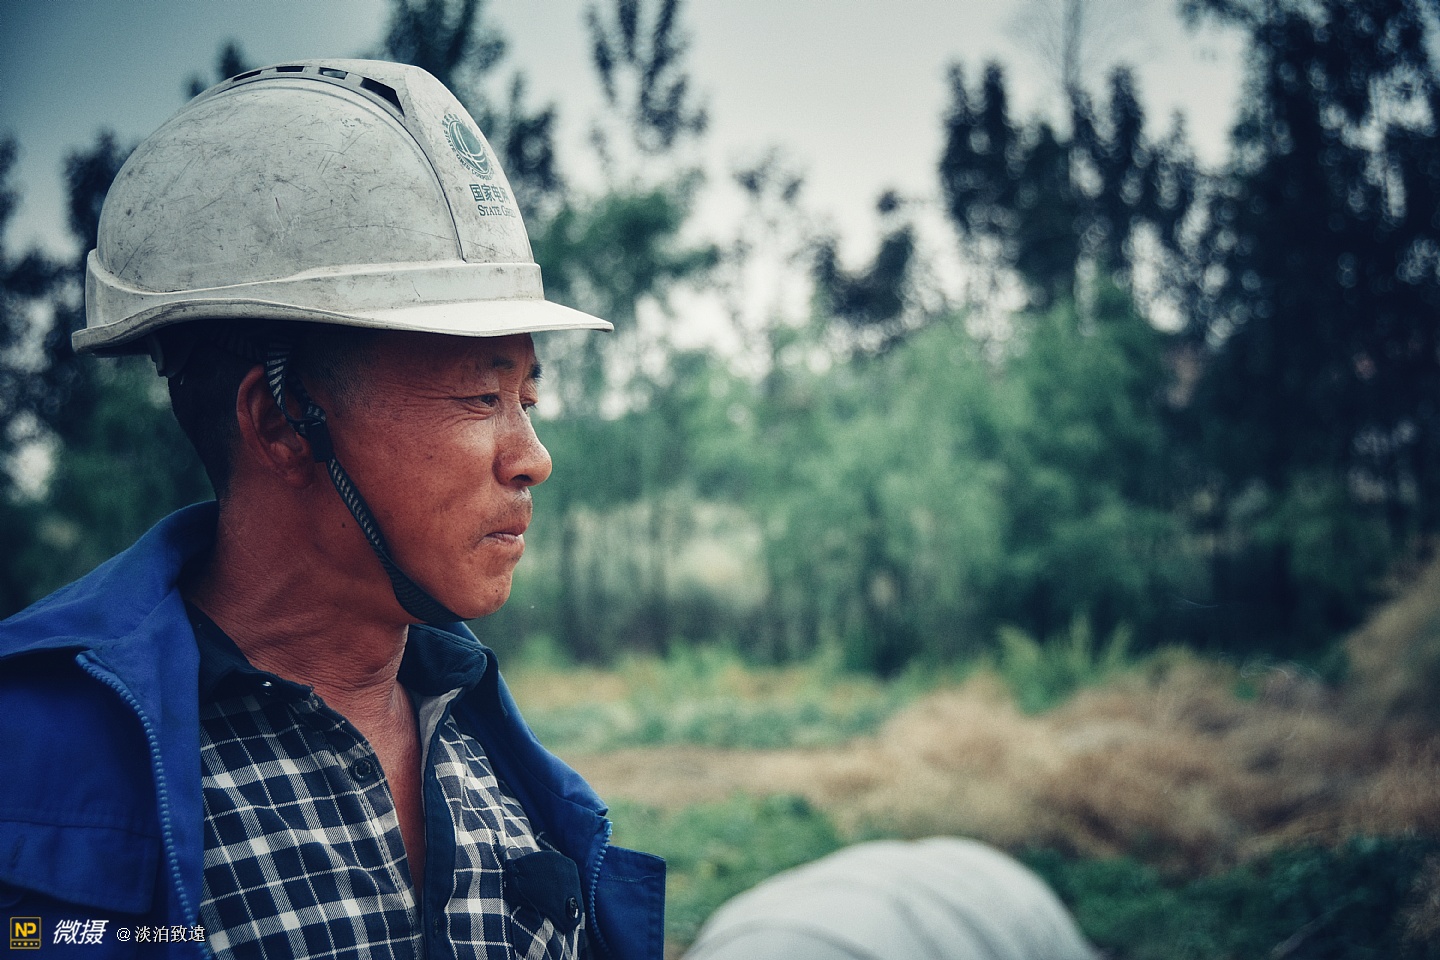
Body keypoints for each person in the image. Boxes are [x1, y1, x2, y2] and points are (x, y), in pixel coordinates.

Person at [0, 60, 664, 959]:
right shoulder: (40, 775)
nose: (532, 459)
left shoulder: (505, 768)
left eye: (528, 400)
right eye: (480, 397)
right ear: (282, 421)